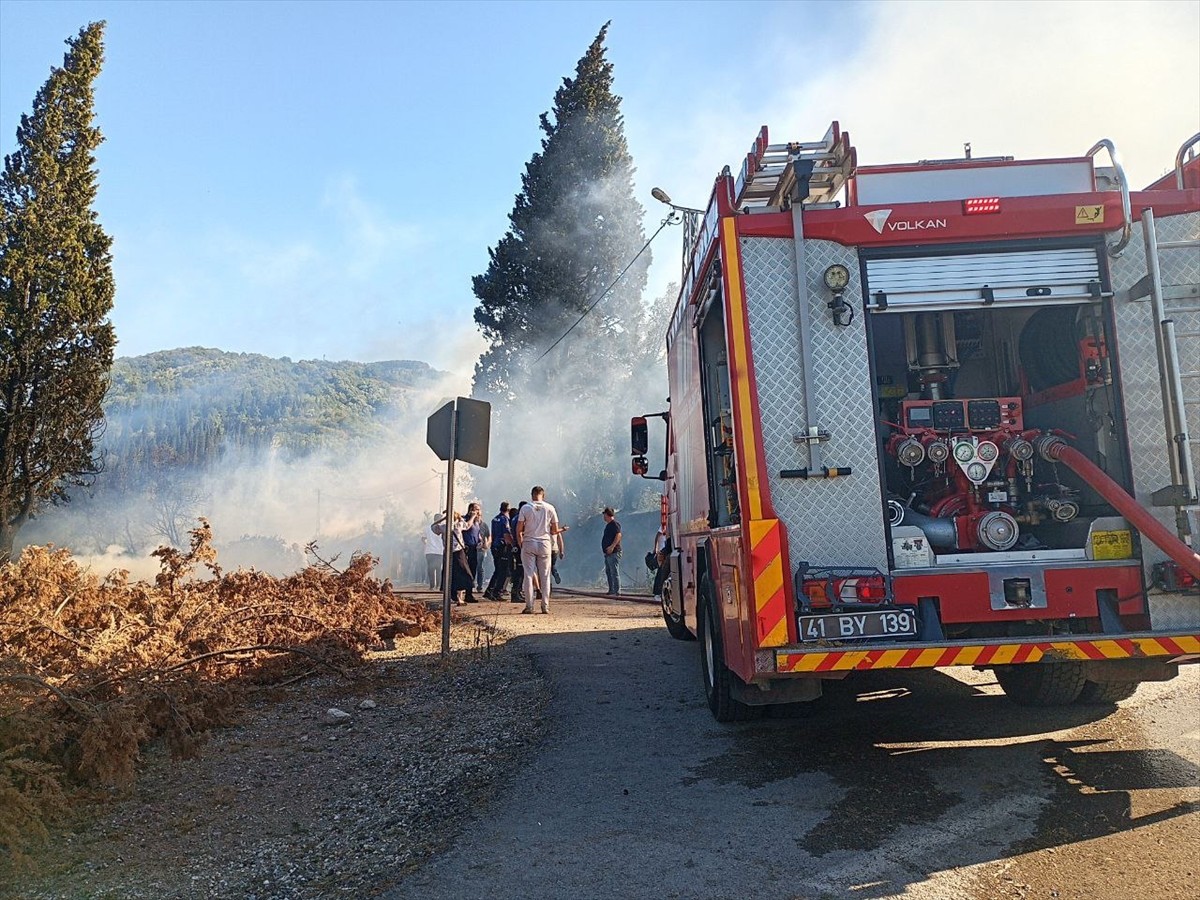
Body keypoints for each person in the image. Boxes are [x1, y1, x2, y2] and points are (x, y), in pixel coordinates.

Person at [517, 486, 563, 614]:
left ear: (532, 495)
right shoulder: (550, 508)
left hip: (529, 542)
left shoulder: (525, 508)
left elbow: (519, 529)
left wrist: (521, 544)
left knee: (528, 574)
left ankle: (529, 606)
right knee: (545, 575)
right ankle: (545, 605)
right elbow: (554, 530)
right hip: (544, 543)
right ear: (543, 495)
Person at [435, 510, 478, 605]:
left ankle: (452, 597)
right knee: (462, 575)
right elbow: (468, 525)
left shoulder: (443, 527)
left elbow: (433, 527)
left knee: (450, 575)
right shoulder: (459, 525)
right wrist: (472, 517)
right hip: (458, 553)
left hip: (448, 553)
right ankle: (459, 598)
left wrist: (442, 519)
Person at [484, 502, 511, 600]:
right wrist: (511, 544)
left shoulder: (495, 519)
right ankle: (497, 592)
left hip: (495, 546)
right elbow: (506, 534)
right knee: (503, 571)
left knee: (498, 569)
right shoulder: (505, 520)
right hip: (502, 546)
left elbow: (493, 533)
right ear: (508, 510)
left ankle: (489, 590)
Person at [463, 502, 484, 594]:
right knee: (466, 571)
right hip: (466, 548)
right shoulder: (465, 519)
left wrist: (480, 541)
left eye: (479, 510)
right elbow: (466, 527)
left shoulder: (477, 522)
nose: (478, 512)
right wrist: (472, 517)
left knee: (473, 570)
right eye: (476, 509)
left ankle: (469, 592)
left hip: (474, 548)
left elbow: (477, 533)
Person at [601, 507, 622, 595]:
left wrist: (612, 547)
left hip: (614, 552)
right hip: (608, 553)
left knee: (614, 572)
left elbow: (618, 535)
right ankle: (611, 590)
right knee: (609, 572)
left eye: (604, 515)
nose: (604, 517)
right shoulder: (609, 525)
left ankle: (617, 591)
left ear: (607, 514)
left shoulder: (614, 524)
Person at [423, 514, 445, 589]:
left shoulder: (427, 528)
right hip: (439, 551)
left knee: (430, 569)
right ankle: (438, 585)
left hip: (430, 551)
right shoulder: (443, 528)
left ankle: (432, 585)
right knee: (438, 569)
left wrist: (427, 544)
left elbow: (423, 538)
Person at [475, 510, 491, 594]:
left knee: (480, 567)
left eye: (479, 515)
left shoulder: (484, 525)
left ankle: (480, 586)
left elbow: (489, 536)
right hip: (472, 548)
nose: (478, 516)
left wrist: (487, 544)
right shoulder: (471, 524)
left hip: (481, 549)